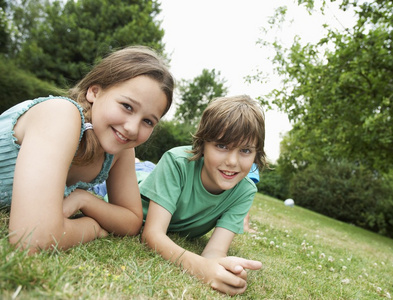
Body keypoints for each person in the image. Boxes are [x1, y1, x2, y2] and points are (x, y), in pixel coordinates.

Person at [0, 46, 174, 253]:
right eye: (127, 106)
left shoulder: (119, 150)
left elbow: (132, 221)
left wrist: (85, 199)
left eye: (147, 121)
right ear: (94, 91)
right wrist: (91, 227)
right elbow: (32, 239)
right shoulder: (60, 114)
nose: (132, 128)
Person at [140, 95, 267, 295]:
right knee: (136, 169)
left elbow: (215, 251)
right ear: (203, 144)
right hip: (133, 187)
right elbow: (152, 235)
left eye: (245, 150)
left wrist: (225, 269)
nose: (232, 161)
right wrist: (200, 268)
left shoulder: (245, 191)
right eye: (222, 146)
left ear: (256, 154)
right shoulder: (176, 162)